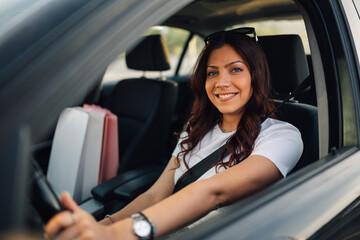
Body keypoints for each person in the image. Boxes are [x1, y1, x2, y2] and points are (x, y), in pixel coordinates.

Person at [45, 27, 303, 240]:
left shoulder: (283, 137)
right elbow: (156, 195)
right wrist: (104, 224)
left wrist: (118, 234)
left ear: (256, 77)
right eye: (212, 72)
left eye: (236, 69)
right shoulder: (196, 128)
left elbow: (213, 192)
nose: (221, 82)